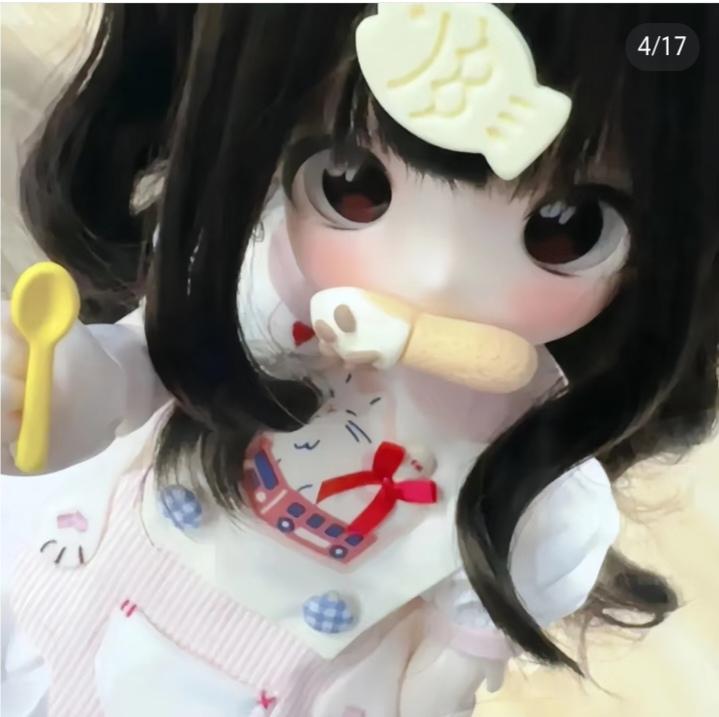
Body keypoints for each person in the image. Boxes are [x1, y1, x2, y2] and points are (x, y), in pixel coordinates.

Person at [2, 5, 717, 716]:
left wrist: (441, 679)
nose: (434, 275)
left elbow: (461, 641)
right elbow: (147, 366)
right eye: (354, 182)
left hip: (299, 672)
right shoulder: (263, 282)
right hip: (89, 571)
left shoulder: (538, 475)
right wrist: (64, 392)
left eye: (565, 230)